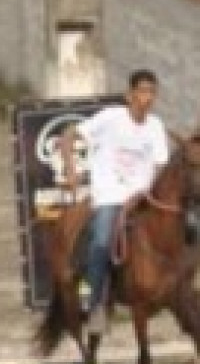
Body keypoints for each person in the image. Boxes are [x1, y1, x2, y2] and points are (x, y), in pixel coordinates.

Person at [66, 67, 170, 326]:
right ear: (130, 95)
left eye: (152, 93)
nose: (148, 98)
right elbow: (69, 135)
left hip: (143, 197)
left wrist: (145, 192)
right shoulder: (111, 118)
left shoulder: (156, 126)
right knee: (101, 241)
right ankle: (89, 298)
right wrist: (71, 169)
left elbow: (159, 166)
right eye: (143, 91)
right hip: (110, 195)